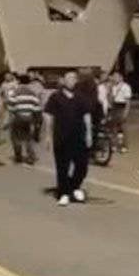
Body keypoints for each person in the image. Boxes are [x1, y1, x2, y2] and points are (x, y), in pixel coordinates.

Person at [44, 70, 93, 207]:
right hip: (61, 137)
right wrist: (48, 135)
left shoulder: (81, 97)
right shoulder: (55, 97)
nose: (71, 80)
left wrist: (89, 133)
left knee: (82, 166)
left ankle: (74, 186)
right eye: (68, 78)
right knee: (62, 167)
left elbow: (86, 116)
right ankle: (63, 193)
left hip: (79, 137)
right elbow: (48, 116)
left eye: (73, 78)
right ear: (63, 81)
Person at [6, 73, 41, 166]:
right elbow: (37, 108)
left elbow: (10, 105)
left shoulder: (15, 92)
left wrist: (12, 113)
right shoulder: (33, 94)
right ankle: (31, 156)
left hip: (18, 116)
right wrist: (37, 121)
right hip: (29, 117)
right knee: (28, 137)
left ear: (19, 81)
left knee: (15, 137)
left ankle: (18, 156)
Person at [107, 71, 132, 153]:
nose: (115, 78)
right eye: (114, 77)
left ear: (121, 78)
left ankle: (124, 145)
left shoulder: (126, 87)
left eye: (116, 77)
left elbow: (128, 101)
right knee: (113, 127)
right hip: (114, 106)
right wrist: (110, 90)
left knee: (123, 128)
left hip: (122, 106)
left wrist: (126, 112)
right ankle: (114, 145)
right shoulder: (112, 87)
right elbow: (110, 99)